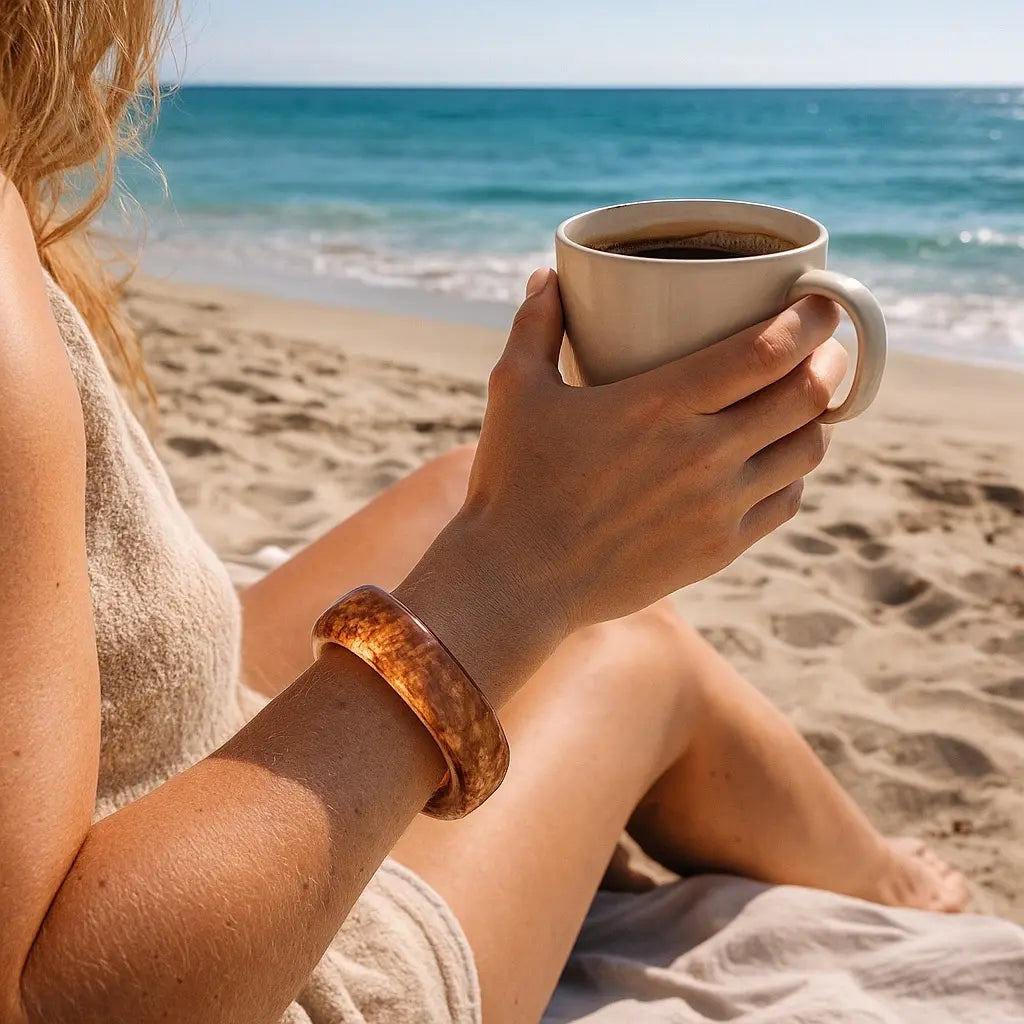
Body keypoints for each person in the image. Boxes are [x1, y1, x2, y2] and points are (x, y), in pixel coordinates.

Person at [0, 4, 967, 1024]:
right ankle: (881, 880)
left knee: (459, 486)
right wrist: (522, 571)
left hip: (141, 757)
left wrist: (501, 535)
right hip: (231, 976)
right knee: (626, 641)